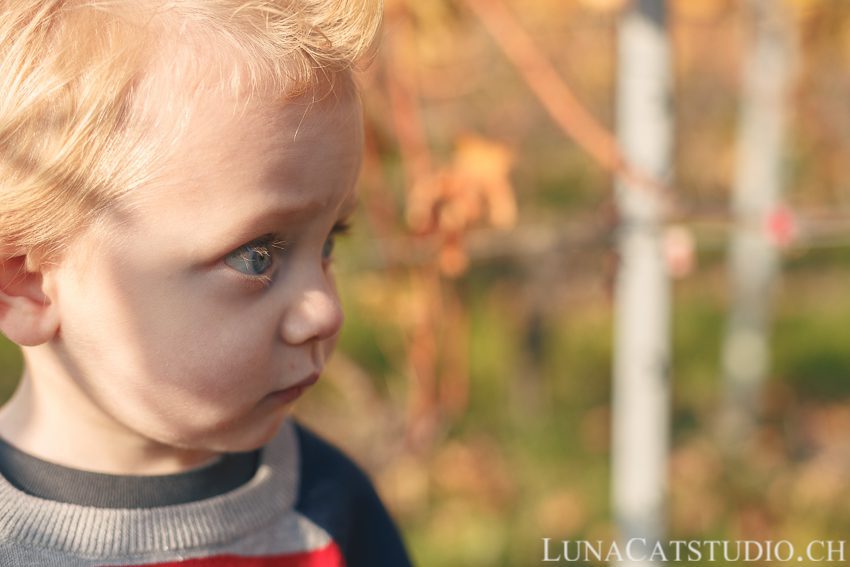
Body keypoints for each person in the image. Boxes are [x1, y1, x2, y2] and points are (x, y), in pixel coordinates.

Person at [0, 1, 413, 565]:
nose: (325, 311)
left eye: (328, 243)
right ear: (28, 284)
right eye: (255, 257)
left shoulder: (329, 507)